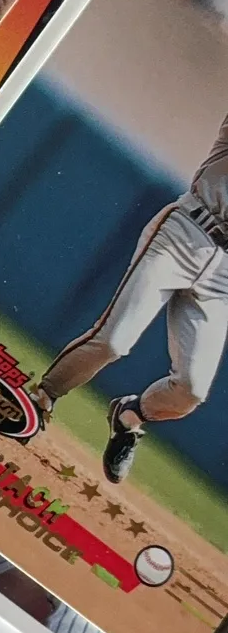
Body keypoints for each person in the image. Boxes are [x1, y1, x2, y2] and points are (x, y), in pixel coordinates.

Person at [36, 112, 228, 485]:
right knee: (114, 340)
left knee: (191, 390)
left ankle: (129, 417)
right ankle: (42, 398)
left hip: (222, 277)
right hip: (187, 232)